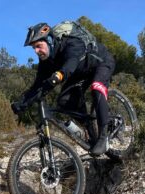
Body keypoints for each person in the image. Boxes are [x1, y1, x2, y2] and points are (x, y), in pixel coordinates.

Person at [12, 22, 115, 155]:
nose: (36, 51)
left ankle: (103, 136)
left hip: (101, 63)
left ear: (49, 40)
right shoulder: (46, 62)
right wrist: (21, 104)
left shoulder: (71, 43)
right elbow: (37, 86)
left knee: (96, 87)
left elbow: (71, 63)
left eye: (38, 46)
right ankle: (90, 130)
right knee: (64, 101)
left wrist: (59, 74)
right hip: (80, 74)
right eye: (34, 48)